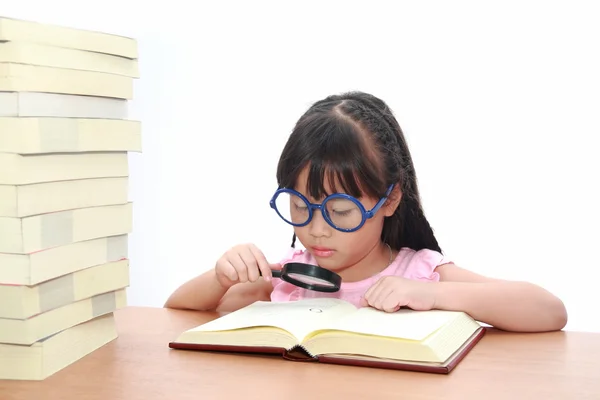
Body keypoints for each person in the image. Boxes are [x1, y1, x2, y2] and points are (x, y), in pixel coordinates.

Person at [164, 91, 567, 333]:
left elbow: (548, 310)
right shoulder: (287, 277)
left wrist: (432, 294)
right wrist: (220, 277)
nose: (317, 229)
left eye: (341, 210)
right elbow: (175, 312)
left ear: (390, 200)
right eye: (300, 206)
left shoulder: (419, 274)